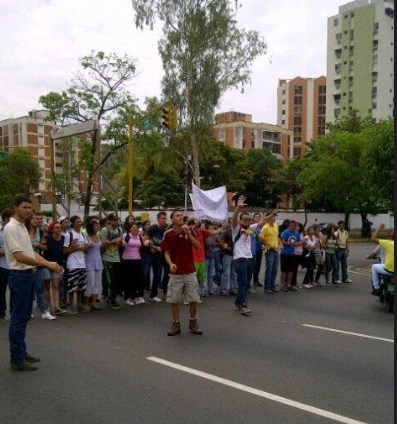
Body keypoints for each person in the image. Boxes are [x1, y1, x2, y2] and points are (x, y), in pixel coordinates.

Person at [4, 194, 64, 371]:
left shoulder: (23, 226)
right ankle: (16, 358)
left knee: (23, 317)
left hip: (28, 275)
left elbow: (30, 252)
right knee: (18, 318)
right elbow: (20, 256)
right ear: (15, 208)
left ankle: (21, 352)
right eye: (25, 207)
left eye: (30, 208)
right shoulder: (11, 228)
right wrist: (46, 264)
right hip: (19, 276)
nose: (29, 210)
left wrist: (50, 264)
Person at [230, 194, 275, 315]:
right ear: (240, 220)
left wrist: (273, 214)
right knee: (243, 283)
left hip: (249, 258)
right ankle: (243, 304)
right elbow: (234, 218)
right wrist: (238, 208)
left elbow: (263, 221)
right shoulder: (236, 228)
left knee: (244, 283)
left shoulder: (250, 228)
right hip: (240, 259)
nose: (246, 221)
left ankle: (238, 302)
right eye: (244, 219)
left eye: (248, 219)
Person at [161, 210, 202, 336]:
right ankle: (176, 323)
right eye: (177, 216)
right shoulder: (168, 234)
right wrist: (170, 263)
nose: (180, 217)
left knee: (193, 299)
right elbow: (166, 251)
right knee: (174, 300)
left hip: (189, 270)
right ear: (172, 219)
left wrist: (188, 234)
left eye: (181, 216)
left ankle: (193, 322)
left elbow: (197, 246)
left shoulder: (190, 230)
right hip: (176, 272)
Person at [26, 212, 55, 320]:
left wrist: (39, 245)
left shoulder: (41, 232)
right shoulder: (24, 231)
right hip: (26, 263)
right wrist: (36, 245)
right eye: (35, 219)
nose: (37, 221)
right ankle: (28, 311)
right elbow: (23, 246)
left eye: (39, 219)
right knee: (29, 289)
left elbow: (45, 247)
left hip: (37, 263)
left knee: (39, 287)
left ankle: (44, 311)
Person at [63, 215, 92, 314]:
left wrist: (86, 247)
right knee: (72, 287)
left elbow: (87, 248)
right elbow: (65, 250)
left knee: (81, 287)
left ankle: (79, 304)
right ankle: (71, 306)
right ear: (73, 223)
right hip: (72, 264)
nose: (80, 223)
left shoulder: (83, 234)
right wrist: (76, 248)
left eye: (81, 222)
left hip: (82, 264)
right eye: (77, 222)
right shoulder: (69, 234)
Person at [100, 213, 123, 309]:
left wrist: (119, 242)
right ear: (109, 221)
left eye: (117, 219)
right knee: (111, 281)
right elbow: (103, 245)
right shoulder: (105, 230)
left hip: (117, 258)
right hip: (107, 259)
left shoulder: (119, 229)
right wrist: (114, 241)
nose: (116, 221)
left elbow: (121, 242)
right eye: (114, 220)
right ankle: (110, 300)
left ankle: (113, 299)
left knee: (117, 281)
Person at [42, 222, 67, 314]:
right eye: (57, 228)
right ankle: (47, 306)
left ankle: (56, 307)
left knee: (56, 286)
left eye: (60, 227)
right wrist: (43, 240)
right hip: (47, 264)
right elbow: (43, 247)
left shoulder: (63, 238)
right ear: (52, 229)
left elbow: (63, 252)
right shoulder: (48, 238)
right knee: (47, 285)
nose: (59, 229)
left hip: (57, 265)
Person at [122, 222, 148, 305]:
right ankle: (127, 298)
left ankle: (135, 296)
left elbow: (144, 245)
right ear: (130, 229)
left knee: (137, 279)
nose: (135, 229)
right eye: (133, 228)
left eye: (137, 228)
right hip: (128, 260)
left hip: (138, 260)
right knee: (129, 279)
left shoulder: (140, 237)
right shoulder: (126, 236)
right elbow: (122, 245)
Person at [146, 211, 168, 303]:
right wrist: (154, 247)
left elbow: (165, 244)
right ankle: (137, 294)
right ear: (158, 219)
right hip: (148, 255)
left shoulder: (165, 231)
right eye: (163, 218)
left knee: (158, 275)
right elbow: (145, 240)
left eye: (165, 218)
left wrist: (160, 249)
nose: (164, 220)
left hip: (159, 256)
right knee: (144, 274)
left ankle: (153, 295)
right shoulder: (152, 228)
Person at [84, 218, 103, 310]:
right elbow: (85, 250)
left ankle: (93, 303)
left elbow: (100, 249)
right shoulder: (86, 236)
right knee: (90, 283)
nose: (98, 226)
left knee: (96, 283)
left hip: (98, 261)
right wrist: (88, 246)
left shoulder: (98, 236)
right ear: (91, 227)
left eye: (98, 225)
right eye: (96, 225)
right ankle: (86, 303)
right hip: (89, 261)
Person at [370, 224, 394, 295]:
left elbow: (373, 238)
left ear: (390, 236)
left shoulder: (387, 243)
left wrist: (379, 228)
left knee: (374, 267)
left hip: (388, 270)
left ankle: (377, 288)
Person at [279, 220, 302, 292]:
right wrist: (289, 243)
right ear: (289, 225)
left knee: (291, 270)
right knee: (284, 270)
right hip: (285, 253)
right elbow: (282, 241)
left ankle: (289, 284)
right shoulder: (285, 232)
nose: (293, 227)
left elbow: (299, 241)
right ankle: (282, 285)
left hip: (293, 254)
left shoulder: (297, 233)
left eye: (294, 225)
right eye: (291, 225)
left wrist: (298, 243)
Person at [0, 209, 12, 322]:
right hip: (2, 266)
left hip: (13, 266)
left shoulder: (13, 231)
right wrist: (7, 251)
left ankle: (14, 311)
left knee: (14, 290)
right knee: (2, 290)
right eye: (9, 219)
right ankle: (1, 312)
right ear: (5, 219)